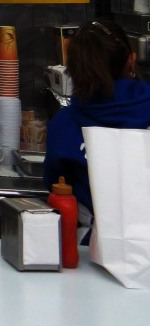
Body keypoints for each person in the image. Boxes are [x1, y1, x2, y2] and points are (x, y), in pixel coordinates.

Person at [44, 18, 150, 230]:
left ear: (72, 70)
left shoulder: (65, 125)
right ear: (131, 60)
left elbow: (57, 186)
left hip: (96, 248)